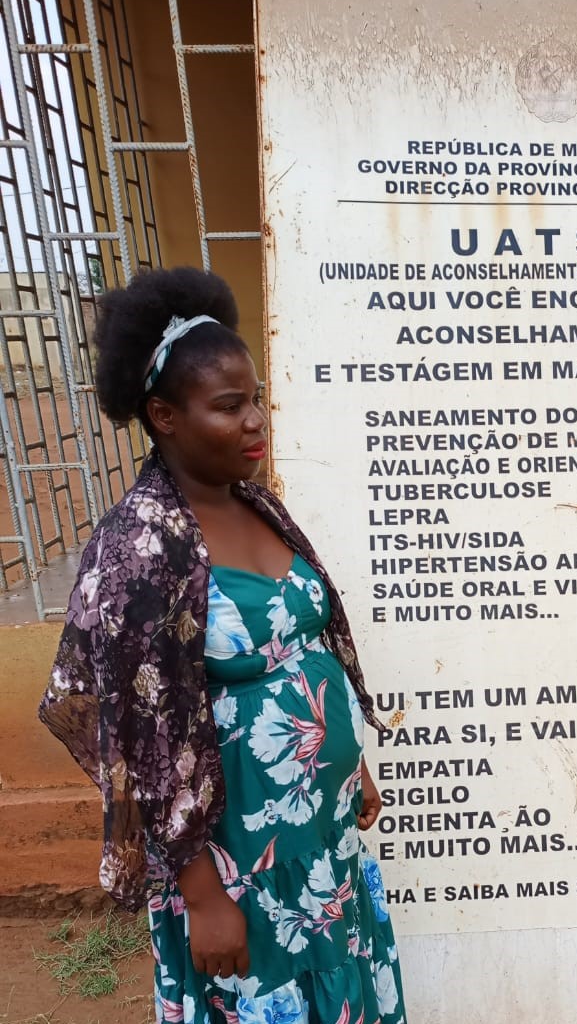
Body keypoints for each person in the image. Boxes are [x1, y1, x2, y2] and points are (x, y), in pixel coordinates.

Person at [39, 267, 406, 1024]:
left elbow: (304, 652)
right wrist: (203, 898)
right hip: (237, 856)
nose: (255, 422)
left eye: (258, 399)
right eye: (229, 406)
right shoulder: (139, 549)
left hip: (316, 830)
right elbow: (142, 737)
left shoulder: (256, 504)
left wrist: (348, 759)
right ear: (164, 415)